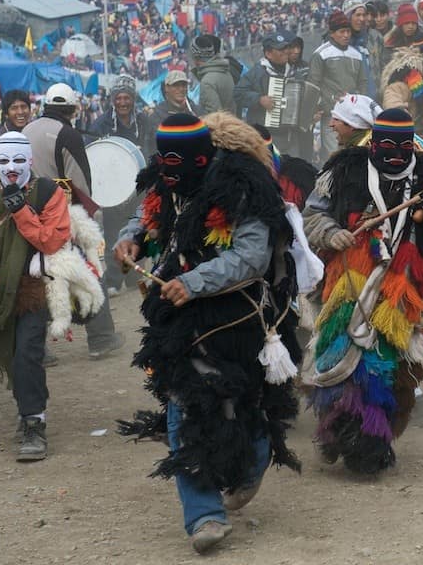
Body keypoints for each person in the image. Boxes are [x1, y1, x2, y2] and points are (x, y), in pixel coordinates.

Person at [115, 112, 302, 554]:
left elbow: (253, 257)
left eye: (180, 164)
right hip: (181, 316)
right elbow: (146, 214)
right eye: (166, 163)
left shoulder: (244, 185)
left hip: (240, 315)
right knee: (184, 403)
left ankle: (251, 466)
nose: (170, 172)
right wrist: (132, 238)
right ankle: (203, 515)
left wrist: (195, 281)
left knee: (245, 401)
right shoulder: (167, 174)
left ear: (205, 158)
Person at [301, 108, 423, 473]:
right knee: (340, 352)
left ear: (412, 145)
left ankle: (373, 436)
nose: (392, 151)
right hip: (347, 279)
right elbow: (312, 215)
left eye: (401, 145)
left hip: (403, 283)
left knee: (386, 360)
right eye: (384, 144)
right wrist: (331, 233)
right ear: (372, 142)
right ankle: (337, 427)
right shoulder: (343, 169)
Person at [0, 132, 72, 461]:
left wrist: (21, 211)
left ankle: (34, 422)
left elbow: (51, 241)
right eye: (3, 161)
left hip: (34, 286)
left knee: (27, 354)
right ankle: (26, 411)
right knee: (10, 354)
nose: (10, 169)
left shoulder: (49, 192)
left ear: (31, 162)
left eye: (19, 161)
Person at [23, 83, 123, 360]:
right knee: (92, 268)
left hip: (30, 215)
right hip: (64, 213)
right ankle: (101, 338)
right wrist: (90, 217)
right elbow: (79, 182)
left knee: (38, 275)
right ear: (72, 109)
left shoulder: (26, 130)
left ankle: (38, 349)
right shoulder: (67, 133)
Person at [90, 75, 153, 296]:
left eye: (127, 97)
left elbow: (153, 150)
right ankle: (114, 280)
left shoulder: (144, 121)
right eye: (119, 98)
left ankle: (135, 275)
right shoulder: (101, 125)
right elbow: (93, 160)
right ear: (113, 100)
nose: (123, 102)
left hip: (139, 187)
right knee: (113, 233)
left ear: (133, 99)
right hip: (112, 190)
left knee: (139, 230)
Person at [235, 31, 316, 161]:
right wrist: (259, 99)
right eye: (280, 49)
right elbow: (238, 93)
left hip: (291, 137)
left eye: (286, 48)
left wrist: (310, 114)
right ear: (268, 54)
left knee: (291, 172)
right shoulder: (257, 72)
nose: (285, 52)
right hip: (265, 137)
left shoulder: (295, 73)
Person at [381, 3, 423, 139]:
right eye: (407, 23)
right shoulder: (390, 44)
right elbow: (388, 71)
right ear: (400, 24)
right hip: (403, 88)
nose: (411, 26)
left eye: (413, 23)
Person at [309, 10, 364, 156]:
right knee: (333, 156)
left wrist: (358, 102)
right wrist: (324, 105)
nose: (346, 35)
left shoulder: (357, 55)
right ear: (332, 33)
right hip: (331, 116)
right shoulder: (321, 54)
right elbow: (313, 85)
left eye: (348, 31)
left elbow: (362, 83)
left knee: (353, 155)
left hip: (353, 116)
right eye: (341, 31)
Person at [192, 34, 237, 115]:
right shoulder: (225, 71)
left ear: (196, 57)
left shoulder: (207, 82)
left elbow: (215, 116)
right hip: (231, 124)